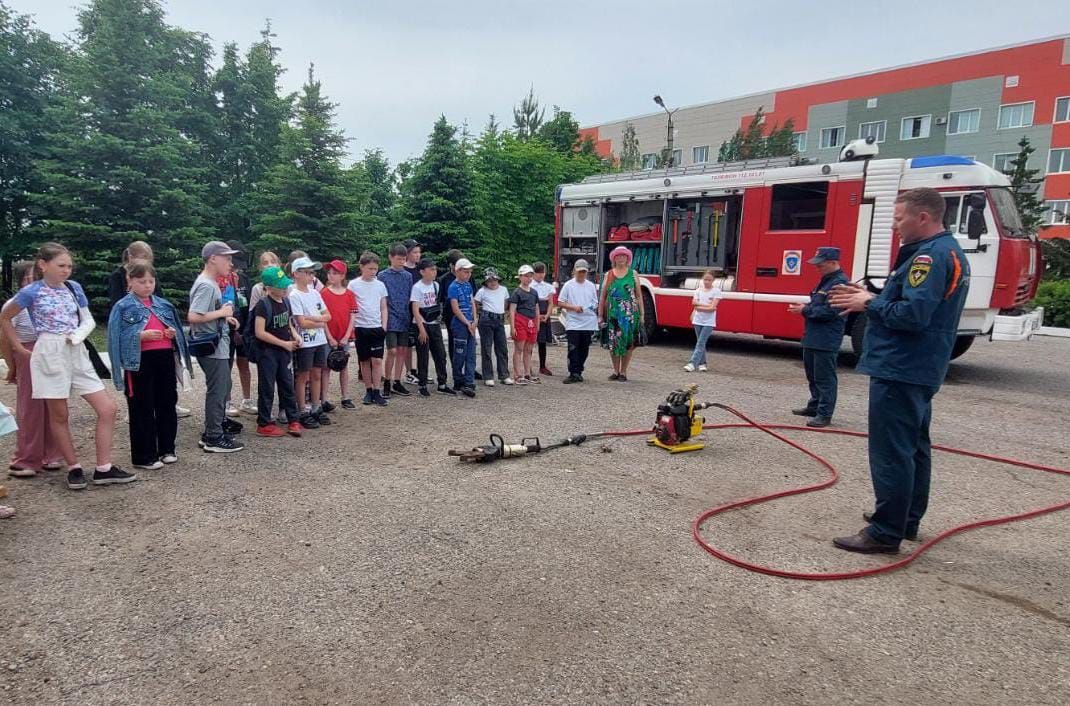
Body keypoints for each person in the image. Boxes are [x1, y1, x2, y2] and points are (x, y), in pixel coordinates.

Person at [827, 187, 970, 554]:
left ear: (923, 217)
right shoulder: (946, 252)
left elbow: (912, 315)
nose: (895, 226)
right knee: (915, 447)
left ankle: (885, 531)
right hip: (919, 366)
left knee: (892, 450)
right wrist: (870, 297)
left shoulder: (929, 258)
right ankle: (905, 519)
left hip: (902, 366)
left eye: (898, 217)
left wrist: (869, 302)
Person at [0, 243, 135, 489]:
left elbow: (88, 319)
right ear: (44, 264)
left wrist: (78, 335)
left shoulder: (74, 287)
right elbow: (5, 316)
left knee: (107, 408)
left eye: (69, 266)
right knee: (59, 413)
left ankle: (103, 466)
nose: (66, 271)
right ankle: (74, 468)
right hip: (49, 350)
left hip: (76, 347)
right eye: (61, 265)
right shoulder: (32, 291)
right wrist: (18, 348)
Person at [107, 260, 192, 470]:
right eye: (142, 281)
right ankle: (144, 455)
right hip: (139, 362)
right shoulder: (123, 306)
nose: (147, 285)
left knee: (167, 402)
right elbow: (114, 338)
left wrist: (171, 334)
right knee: (141, 407)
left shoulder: (164, 305)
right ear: (130, 281)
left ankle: (167, 448)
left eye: (151, 281)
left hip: (164, 357)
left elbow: (178, 334)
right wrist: (139, 336)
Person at [2, 261, 62, 478]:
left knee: (54, 404)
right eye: (27, 279)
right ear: (20, 282)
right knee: (30, 407)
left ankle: (52, 454)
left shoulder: (49, 301)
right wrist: (12, 365)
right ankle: (26, 458)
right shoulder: (15, 304)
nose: (32, 282)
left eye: (35, 278)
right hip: (27, 352)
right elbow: (4, 338)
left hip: (52, 351)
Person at [189, 240, 244, 453]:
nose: (230, 263)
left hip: (216, 343)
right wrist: (222, 313)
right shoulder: (205, 284)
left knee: (223, 387)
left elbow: (206, 312)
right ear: (213, 259)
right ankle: (213, 436)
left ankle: (217, 426)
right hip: (212, 347)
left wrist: (225, 319)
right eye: (227, 258)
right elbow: (194, 316)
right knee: (217, 390)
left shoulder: (210, 283)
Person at [787, 248, 849, 428]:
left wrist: (804, 310)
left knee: (825, 378)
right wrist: (806, 306)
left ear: (833, 262)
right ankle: (814, 406)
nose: (817, 268)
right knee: (813, 375)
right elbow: (818, 305)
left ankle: (824, 414)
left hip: (826, 339)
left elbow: (831, 312)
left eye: (820, 265)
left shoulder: (840, 284)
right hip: (813, 337)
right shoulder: (826, 281)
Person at [251, 266, 303, 438]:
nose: (284, 288)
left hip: (284, 351)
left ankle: (293, 419)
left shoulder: (286, 301)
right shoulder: (263, 304)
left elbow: (288, 323)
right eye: (280, 286)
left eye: (285, 285)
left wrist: (295, 336)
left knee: (287, 384)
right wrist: (284, 343)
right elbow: (260, 332)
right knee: (267, 387)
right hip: (268, 352)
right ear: (269, 287)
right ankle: (264, 423)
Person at [289, 256, 332, 428]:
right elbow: (301, 322)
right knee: (303, 376)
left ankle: (316, 406)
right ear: (296, 274)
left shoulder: (315, 293)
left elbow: (327, 315)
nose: (311, 276)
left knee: (317, 374)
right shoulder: (294, 295)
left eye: (312, 273)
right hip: (305, 342)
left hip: (319, 340)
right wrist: (319, 321)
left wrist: (314, 318)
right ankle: (302, 410)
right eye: (307, 272)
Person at [348, 251, 390, 406]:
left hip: (376, 327)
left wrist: (384, 325)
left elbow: (383, 306)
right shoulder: (353, 284)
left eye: (375, 269)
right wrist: (352, 327)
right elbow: (350, 307)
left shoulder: (380, 285)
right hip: (361, 326)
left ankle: (378, 391)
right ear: (362, 267)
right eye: (370, 268)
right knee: (364, 360)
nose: (373, 271)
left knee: (377, 360)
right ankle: (368, 390)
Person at [599, 246, 645, 381]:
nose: (621, 259)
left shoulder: (633, 274)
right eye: (618, 256)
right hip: (613, 314)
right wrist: (600, 315)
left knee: (628, 343)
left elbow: (639, 296)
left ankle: (623, 372)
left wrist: (642, 315)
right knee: (613, 343)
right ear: (614, 258)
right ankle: (615, 371)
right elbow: (603, 297)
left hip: (630, 315)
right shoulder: (609, 274)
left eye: (623, 256)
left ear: (627, 258)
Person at [220, 240, 255, 417]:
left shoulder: (244, 279)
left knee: (244, 364)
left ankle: (247, 399)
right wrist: (233, 331)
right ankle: (226, 401)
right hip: (226, 330)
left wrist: (245, 331)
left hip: (243, 329)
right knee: (225, 366)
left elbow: (249, 305)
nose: (237, 269)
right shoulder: (220, 280)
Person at [410, 258, 454, 397]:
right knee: (423, 355)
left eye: (435, 269)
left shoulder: (436, 285)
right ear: (422, 272)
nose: (434, 272)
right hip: (421, 324)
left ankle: (442, 383)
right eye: (431, 269)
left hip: (434, 323)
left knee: (440, 354)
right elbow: (415, 309)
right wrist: (421, 329)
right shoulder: (417, 287)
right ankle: (422, 384)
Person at [378, 243, 415, 398]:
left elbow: (410, 295)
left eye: (403, 259)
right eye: (398, 259)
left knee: (402, 350)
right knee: (392, 350)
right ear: (390, 258)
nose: (401, 262)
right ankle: (387, 380)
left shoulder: (408, 276)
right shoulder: (383, 275)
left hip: (404, 316)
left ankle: (397, 381)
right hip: (390, 317)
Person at [321, 259, 358, 409]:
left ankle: (345, 396)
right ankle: (323, 399)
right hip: (328, 336)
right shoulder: (323, 293)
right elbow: (322, 317)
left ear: (342, 276)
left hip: (344, 336)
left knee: (343, 365)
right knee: (326, 367)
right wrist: (329, 337)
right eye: (329, 273)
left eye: (335, 273)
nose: (331, 276)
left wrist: (347, 335)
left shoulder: (349, 294)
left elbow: (353, 315)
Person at [557, 259, 599, 384]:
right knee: (573, 348)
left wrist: (591, 307)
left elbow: (595, 302)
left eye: (584, 272)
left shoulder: (590, 286)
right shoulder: (569, 285)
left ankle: (579, 370)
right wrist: (574, 307)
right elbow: (560, 302)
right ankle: (573, 372)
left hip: (588, 321)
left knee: (584, 348)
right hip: (574, 322)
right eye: (580, 271)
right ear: (575, 271)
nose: (582, 274)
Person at [475, 268, 511, 386]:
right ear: (486, 282)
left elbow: (505, 303)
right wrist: (476, 317)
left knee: (502, 348)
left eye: (494, 279)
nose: (492, 282)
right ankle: (488, 376)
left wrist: (503, 313)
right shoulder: (482, 291)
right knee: (486, 348)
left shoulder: (504, 290)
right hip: (486, 319)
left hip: (499, 319)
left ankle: (504, 375)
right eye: (489, 280)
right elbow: (475, 304)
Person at [447, 258, 478, 397]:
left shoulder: (468, 285)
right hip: (460, 324)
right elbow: (455, 308)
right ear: (457, 271)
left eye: (470, 272)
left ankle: (469, 381)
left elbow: (472, 303)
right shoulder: (453, 286)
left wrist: (475, 319)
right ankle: (458, 380)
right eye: (466, 271)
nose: (468, 274)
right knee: (460, 353)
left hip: (471, 322)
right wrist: (467, 322)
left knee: (471, 354)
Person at [684, 270, 722, 373]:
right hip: (698, 320)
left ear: (713, 280)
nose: (707, 282)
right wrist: (706, 306)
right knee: (701, 342)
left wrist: (699, 307)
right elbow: (694, 303)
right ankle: (702, 364)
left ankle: (692, 363)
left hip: (709, 322)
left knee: (700, 342)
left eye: (709, 280)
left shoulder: (716, 291)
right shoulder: (698, 291)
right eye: (705, 279)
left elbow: (713, 308)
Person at [508, 265, 541, 384]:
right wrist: (512, 326)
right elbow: (512, 310)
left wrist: (537, 324)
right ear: (520, 277)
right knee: (519, 348)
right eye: (526, 276)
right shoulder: (517, 292)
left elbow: (536, 308)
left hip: (531, 322)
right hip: (520, 320)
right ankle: (517, 374)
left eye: (530, 276)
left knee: (529, 349)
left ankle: (527, 373)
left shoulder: (534, 292)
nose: (528, 278)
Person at [438, 249, 464, 367]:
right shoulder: (444, 280)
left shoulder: (468, 277)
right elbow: (441, 298)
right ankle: (456, 367)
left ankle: (469, 368)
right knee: (453, 341)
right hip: (451, 315)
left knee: (468, 342)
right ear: (451, 265)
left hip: (466, 313)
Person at [402, 239, 422, 385]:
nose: (418, 255)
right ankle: (409, 371)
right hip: (406, 311)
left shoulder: (420, 269)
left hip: (421, 311)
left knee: (421, 342)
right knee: (408, 344)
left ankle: (421, 369)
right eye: (414, 252)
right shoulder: (402, 270)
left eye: (419, 252)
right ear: (407, 253)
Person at [531, 262, 556, 376]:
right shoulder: (530, 285)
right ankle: (528, 366)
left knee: (542, 343)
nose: (540, 275)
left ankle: (542, 366)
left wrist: (547, 315)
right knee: (530, 342)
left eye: (543, 273)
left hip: (544, 314)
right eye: (538, 273)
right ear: (534, 273)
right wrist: (536, 316)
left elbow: (551, 303)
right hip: (532, 315)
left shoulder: (548, 287)